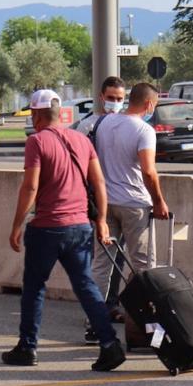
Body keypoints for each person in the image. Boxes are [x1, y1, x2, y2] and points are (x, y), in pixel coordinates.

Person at [3, 89, 126, 372]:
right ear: (60, 114)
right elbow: (99, 183)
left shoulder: (36, 142)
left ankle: (27, 347)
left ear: (36, 114)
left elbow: (31, 186)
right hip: (80, 226)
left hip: (47, 227)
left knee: (34, 288)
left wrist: (17, 224)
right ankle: (109, 343)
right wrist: (102, 219)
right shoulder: (82, 140)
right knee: (85, 286)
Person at [86, 82, 169, 342]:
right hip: (134, 205)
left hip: (105, 203)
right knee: (143, 266)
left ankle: (94, 324)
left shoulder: (103, 124)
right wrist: (159, 201)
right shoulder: (144, 130)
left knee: (101, 265)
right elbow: (148, 171)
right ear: (148, 104)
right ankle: (146, 325)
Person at [76, 76, 127, 326]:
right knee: (98, 258)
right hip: (95, 199)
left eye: (120, 99)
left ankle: (111, 304)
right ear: (101, 97)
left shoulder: (128, 125)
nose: (115, 103)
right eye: (111, 98)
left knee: (117, 254)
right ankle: (94, 308)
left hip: (120, 199)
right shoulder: (88, 127)